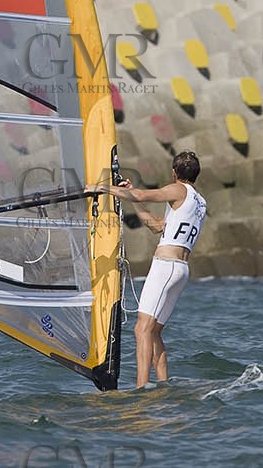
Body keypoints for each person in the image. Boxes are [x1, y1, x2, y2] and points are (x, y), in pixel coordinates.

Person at [90, 152, 206, 389]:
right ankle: (163, 386)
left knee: (141, 328)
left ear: (174, 173)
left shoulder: (178, 190)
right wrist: (131, 197)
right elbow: (155, 226)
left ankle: (141, 389)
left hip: (166, 267)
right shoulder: (199, 202)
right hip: (181, 270)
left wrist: (100, 188)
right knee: (153, 332)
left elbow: (143, 193)